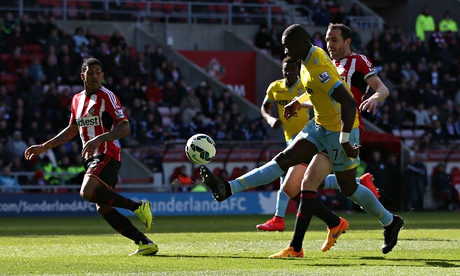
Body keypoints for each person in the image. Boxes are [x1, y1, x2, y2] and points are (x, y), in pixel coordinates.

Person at [199, 24, 404, 257]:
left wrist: (348, 135)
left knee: (346, 187)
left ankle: (389, 221)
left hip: (341, 130)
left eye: (335, 40)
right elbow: (318, 90)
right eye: (328, 40)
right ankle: (229, 189)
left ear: (347, 41)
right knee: (287, 164)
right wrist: (298, 101)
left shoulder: (337, 63)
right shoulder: (313, 61)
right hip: (319, 126)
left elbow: (349, 101)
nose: (330, 44)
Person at [24, 58, 158, 256]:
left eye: (98, 72)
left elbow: (125, 127)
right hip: (91, 157)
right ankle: (144, 242)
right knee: (103, 208)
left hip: (107, 153)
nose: (95, 76)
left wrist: (100, 138)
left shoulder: (107, 97)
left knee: (86, 192)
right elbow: (71, 131)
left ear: (102, 75)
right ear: (82, 76)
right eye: (90, 72)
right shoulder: (76, 100)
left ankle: (138, 206)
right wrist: (44, 147)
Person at [256, 56, 379, 232]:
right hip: (291, 137)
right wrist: (269, 119)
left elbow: (320, 100)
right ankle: (359, 184)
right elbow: (265, 107)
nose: (289, 72)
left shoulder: (305, 84)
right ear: (282, 70)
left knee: (291, 181)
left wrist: (300, 104)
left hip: (310, 137)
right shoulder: (275, 87)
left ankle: (279, 218)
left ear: (298, 70)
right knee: (307, 181)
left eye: (292, 69)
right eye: (286, 70)